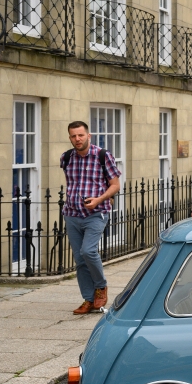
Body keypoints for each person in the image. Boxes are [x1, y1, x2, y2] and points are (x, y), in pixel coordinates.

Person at [61, 120, 122, 315]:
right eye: (73, 136)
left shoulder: (103, 156)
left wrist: (98, 199)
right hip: (72, 214)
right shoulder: (67, 157)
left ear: (89, 136)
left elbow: (115, 185)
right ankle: (88, 299)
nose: (77, 139)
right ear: (70, 138)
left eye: (80, 135)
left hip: (96, 213)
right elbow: (71, 183)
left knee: (88, 251)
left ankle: (101, 286)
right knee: (79, 259)